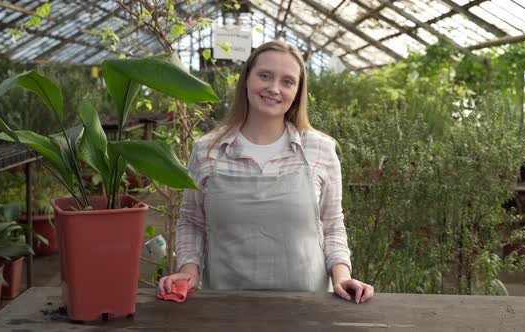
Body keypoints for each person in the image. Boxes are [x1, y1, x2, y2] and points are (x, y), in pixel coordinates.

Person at [158, 40, 374, 304]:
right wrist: (188, 271)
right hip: (226, 307)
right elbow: (192, 221)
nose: (274, 89)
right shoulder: (207, 150)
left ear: (298, 91)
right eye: (265, 76)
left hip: (309, 308)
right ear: (247, 79)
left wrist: (341, 276)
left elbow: (332, 225)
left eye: (287, 81)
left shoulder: (320, 149)